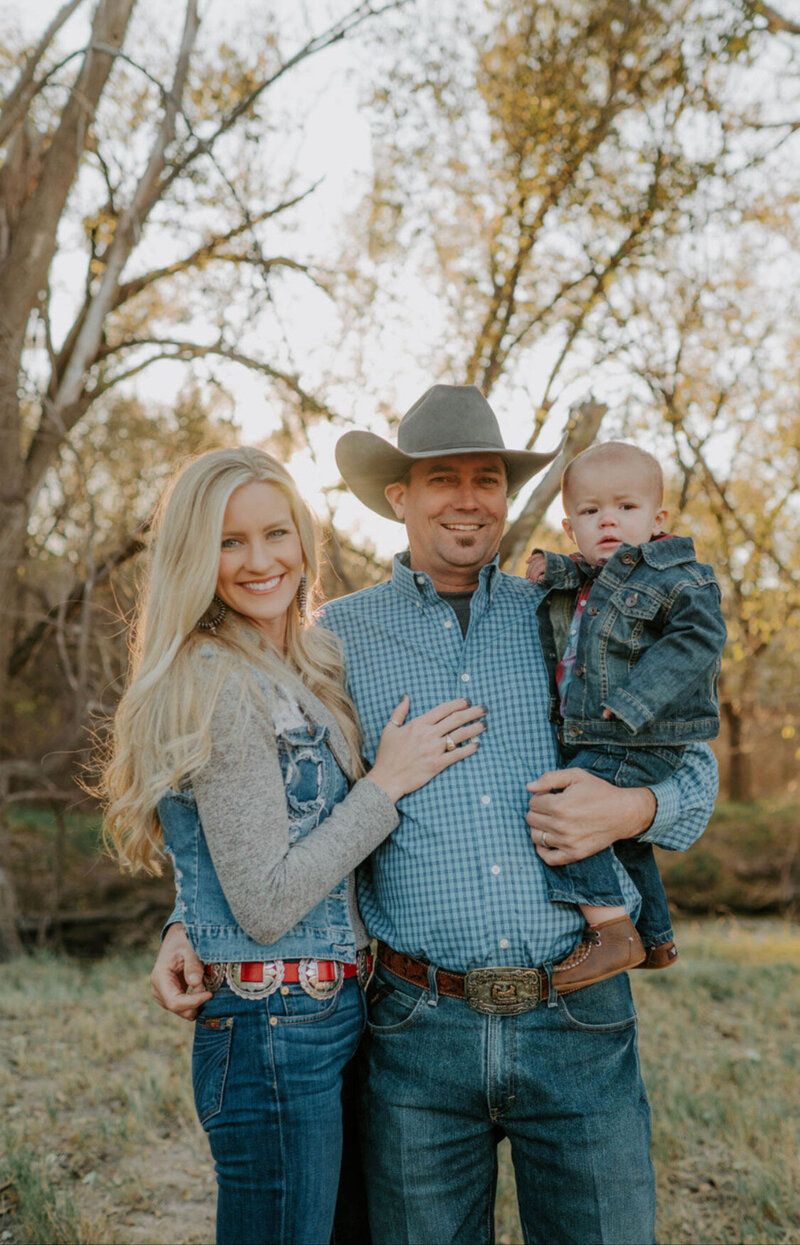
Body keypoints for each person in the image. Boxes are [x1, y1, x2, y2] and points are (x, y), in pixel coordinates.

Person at [152, 387, 718, 1245]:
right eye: (440, 478)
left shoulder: (573, 617)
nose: (467, 498)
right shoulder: (331, 639)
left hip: (579, 1019)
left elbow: (698, 772)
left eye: (486, 478)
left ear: (505, 495)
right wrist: (188, 918)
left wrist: (631, 805)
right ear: (398, 499)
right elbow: (270, 800)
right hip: (417, 1028)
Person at [100, 446, 485, 1245]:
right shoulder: (218, 680)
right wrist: (388, 782)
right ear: (192, 556)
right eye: (229, 541)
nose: (259, 559)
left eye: (276, 532)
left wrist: (184, 920)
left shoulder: (296, 662)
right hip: (273, 1024)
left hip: (323, 1013)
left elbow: (223, 850)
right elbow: (267, 900)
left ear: (304, 539)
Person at [524, 440, 727, 990]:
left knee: (564, 813)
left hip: (640, 732)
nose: (607, 520)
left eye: (626, 508)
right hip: (604, 730)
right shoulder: (594, 575)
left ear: (658, 519)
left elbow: (700, 639)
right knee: (625, 838)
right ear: (572, 529)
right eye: (590, 512)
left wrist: (639, 698)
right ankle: (657, 937)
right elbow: (590, 581)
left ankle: (610, 930)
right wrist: (554, 566)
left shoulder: (680, 577)